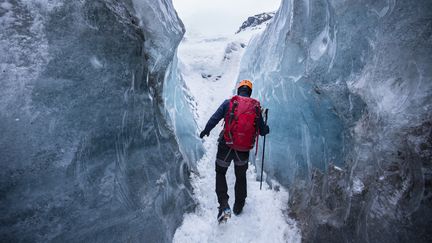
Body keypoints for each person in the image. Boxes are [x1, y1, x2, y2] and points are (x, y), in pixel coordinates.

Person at [199, 79, 270, 223]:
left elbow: (215, 118)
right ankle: (238, 206)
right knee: (240, 176)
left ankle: (224, 205)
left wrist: (206, 130)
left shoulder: (229, 103)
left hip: (226, 145)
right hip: (242, 150)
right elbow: (262, 132)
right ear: (250, 92)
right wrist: (266, 128)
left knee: (220, 172)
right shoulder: (256, 108)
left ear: (239, 90)